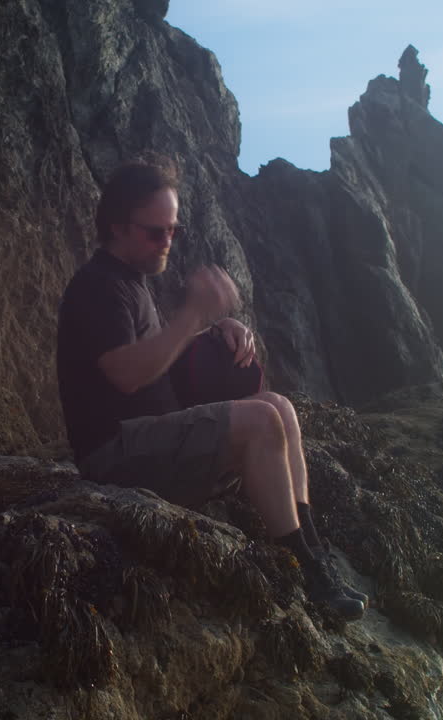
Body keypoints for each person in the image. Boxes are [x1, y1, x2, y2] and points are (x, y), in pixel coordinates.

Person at [56, 156, 367, 619]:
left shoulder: (134, 284)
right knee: (260, 421)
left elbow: (163, 357)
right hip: (114, 455)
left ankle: (312, 547)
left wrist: (218, 327)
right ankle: (305, 572)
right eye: (155, 231)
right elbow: (126, 374)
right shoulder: (98, 286)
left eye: (173, 230)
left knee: (278, 406)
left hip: (151, 439)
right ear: (118, 227)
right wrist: (191, 315)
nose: (167, 243)